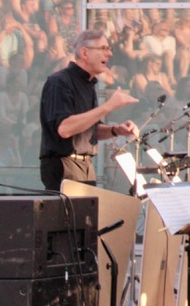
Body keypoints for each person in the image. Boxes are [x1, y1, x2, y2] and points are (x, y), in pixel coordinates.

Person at [38, 29, 140, 191]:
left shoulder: (89, 84)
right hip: (65, 166)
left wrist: (116, 130)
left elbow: (91, 129)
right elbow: (65, 129)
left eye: (109, 49)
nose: (109, 54)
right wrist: (108, 106)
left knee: (87, 216)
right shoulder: (60, 82)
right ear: (85, 52)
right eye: (103, 48)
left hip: (85, 165)